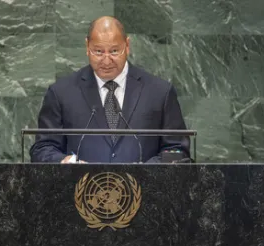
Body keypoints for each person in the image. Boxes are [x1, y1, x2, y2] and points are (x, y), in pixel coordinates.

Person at [30, 16, 190, 163]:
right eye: (98, 52)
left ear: (127, 46)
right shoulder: (61, 93)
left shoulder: (160, 92)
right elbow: (43, 149)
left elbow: (177, 150)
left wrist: (145, 173)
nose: (106, 61)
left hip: (145, 191)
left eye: (114, 51)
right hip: (81, 191)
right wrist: (65, 162)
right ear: (87, 46)